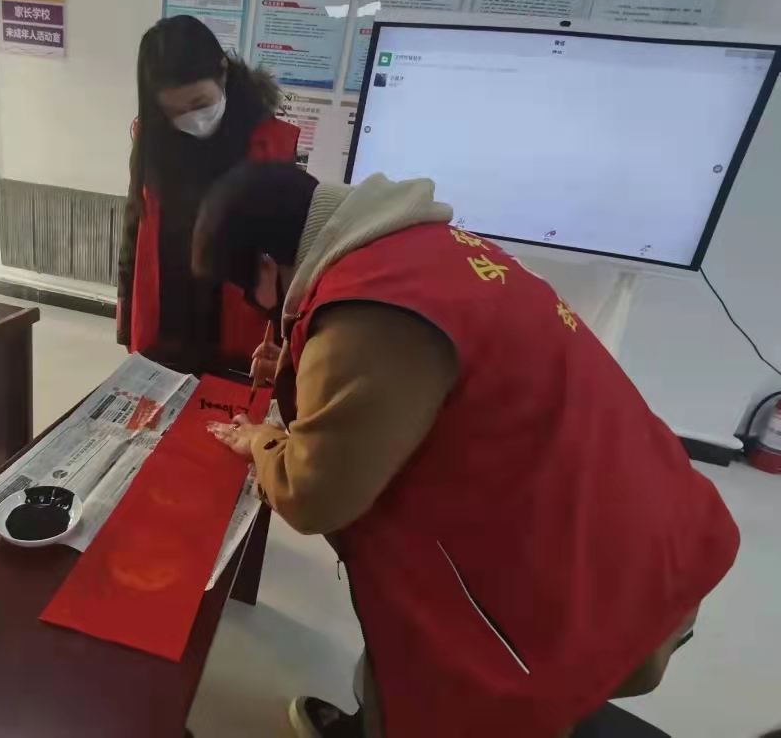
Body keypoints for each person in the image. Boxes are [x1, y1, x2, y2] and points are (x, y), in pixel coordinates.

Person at [196, 162, 740, 738]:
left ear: (266, 265)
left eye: (246, 289)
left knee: (439, 695)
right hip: (661, 537)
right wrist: (309, 365)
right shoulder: (418, 245)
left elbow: (315, 495)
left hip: (582, 590)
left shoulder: (369, 308)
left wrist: (261, 440)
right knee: (399, 674)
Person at [116, 15, 299, 372]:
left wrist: (286, 336)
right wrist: (126, 320)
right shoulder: (153, 139)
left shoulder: (269, 145)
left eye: (200, 102)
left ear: (223, 72)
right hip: (167, 323)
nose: (192, 118)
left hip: (239, 329)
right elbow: (135, 225)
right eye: (175, 111)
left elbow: (288, 255)